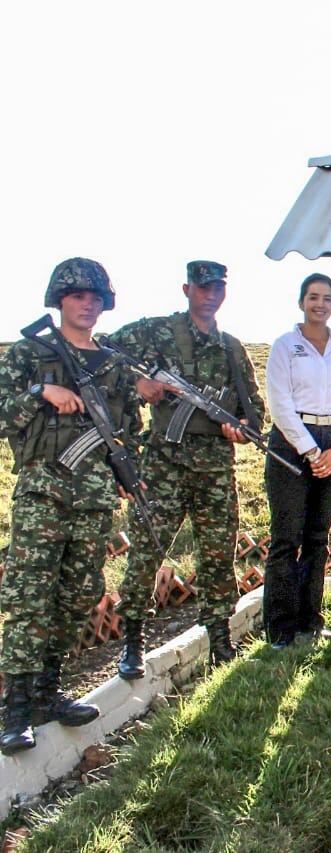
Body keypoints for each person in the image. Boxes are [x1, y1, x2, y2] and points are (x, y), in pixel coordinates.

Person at [1, 259, 141, 754]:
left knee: (80, 593)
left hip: (93, 500)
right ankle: (15, 708)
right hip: (44, 493)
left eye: (96, 296)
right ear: (59, 300)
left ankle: (48, 692)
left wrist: (127, 470)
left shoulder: (113, 364)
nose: (88, 304)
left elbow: (128, 428)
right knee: (28, 598)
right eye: (78, 295)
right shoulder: (28, 354)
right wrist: (41, 392)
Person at [110, 261, 264, 678]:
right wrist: (138, 384)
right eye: (202, 287)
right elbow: (104, 354)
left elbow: (254, 412)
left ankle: (219, 639)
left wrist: (242, 429)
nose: (210, 294)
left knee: (218, 555)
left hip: (214, 470)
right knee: (147, 552)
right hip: (163, 465)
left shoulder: (232, 349)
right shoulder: (156, 332)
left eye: (217, 287)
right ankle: (133, 640)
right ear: (187, 289)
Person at [262, 273, 331, 649]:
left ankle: (310, 620)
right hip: (292, 442)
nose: (320, 304)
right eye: (313, 297)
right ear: (301, 301)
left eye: (327, 298)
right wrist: (309, 450)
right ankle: (280, 628)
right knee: (287, 539)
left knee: (317, 539)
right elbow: (280, 404)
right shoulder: (285, 347)